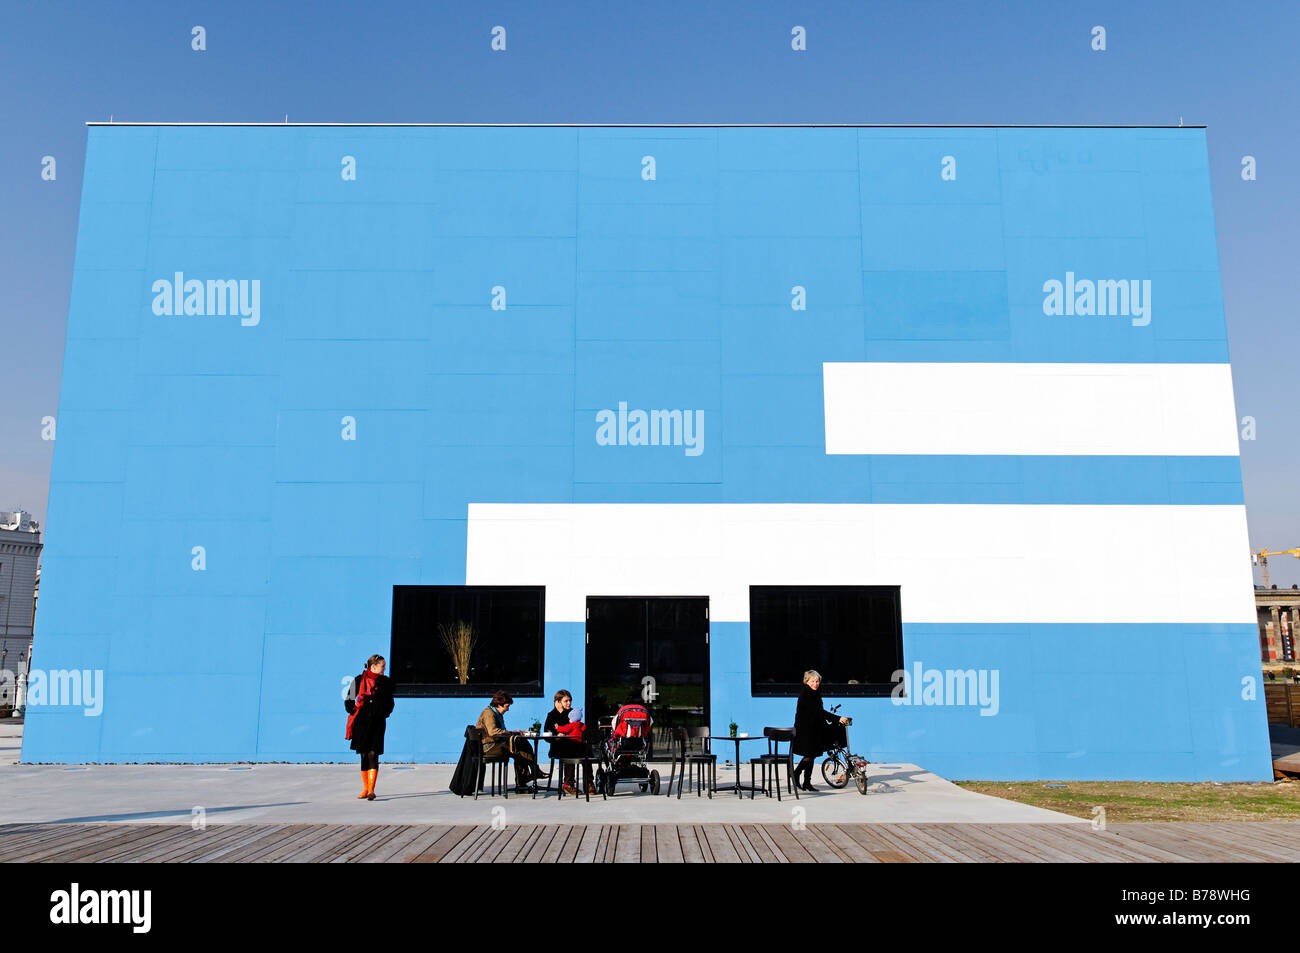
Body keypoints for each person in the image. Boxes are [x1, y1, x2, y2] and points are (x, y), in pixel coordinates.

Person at [344, 654, 395, 800]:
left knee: (373, 753)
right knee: (364, 754)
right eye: (382, 666)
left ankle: (372, 790)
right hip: (361, 723)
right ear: (373, 666)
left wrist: (384, 713)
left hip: (377, 722)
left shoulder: (385, 682)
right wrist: (354, 711)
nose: (385, 668)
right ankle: (365, 789)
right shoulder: (359, 680)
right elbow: (349, 700)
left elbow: (390, 702)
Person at [476, 690, 547, 792]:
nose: (508, 709)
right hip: (489, 746)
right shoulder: (489, 713)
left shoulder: (496, 713)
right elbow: (493, 732)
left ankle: (524, 781)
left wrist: (513, 733)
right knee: (519, 747)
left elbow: (499, 732)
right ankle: (529, 775)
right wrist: (512, 732)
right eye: (506, 706)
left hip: (496, 744)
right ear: (499, 705)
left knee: (521, 746)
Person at [791, 669, 848, 791]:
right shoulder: (806, 694)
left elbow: (819, 713)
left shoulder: (815, 693)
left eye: (817, 681)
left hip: (814, 729)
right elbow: (819, 712)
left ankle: (806, 782)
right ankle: (796, 774)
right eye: (813, 681)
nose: (815, 683)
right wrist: (837, 718)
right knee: (809, 754)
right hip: (805, 730)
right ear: (807, 681)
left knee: (812, 755)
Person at [543, 689, 596, 795]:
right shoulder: (552, 715)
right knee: (569, 750)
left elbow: (579, 728)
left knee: (586, 750)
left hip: (574, 745)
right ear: (558, 702)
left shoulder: (572, 713)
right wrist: (557, 735)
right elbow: (546, 734)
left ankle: (589, 782)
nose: (569, 703)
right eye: (566, 701)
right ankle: (568, 784)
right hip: (559, 746)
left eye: (570, 701)